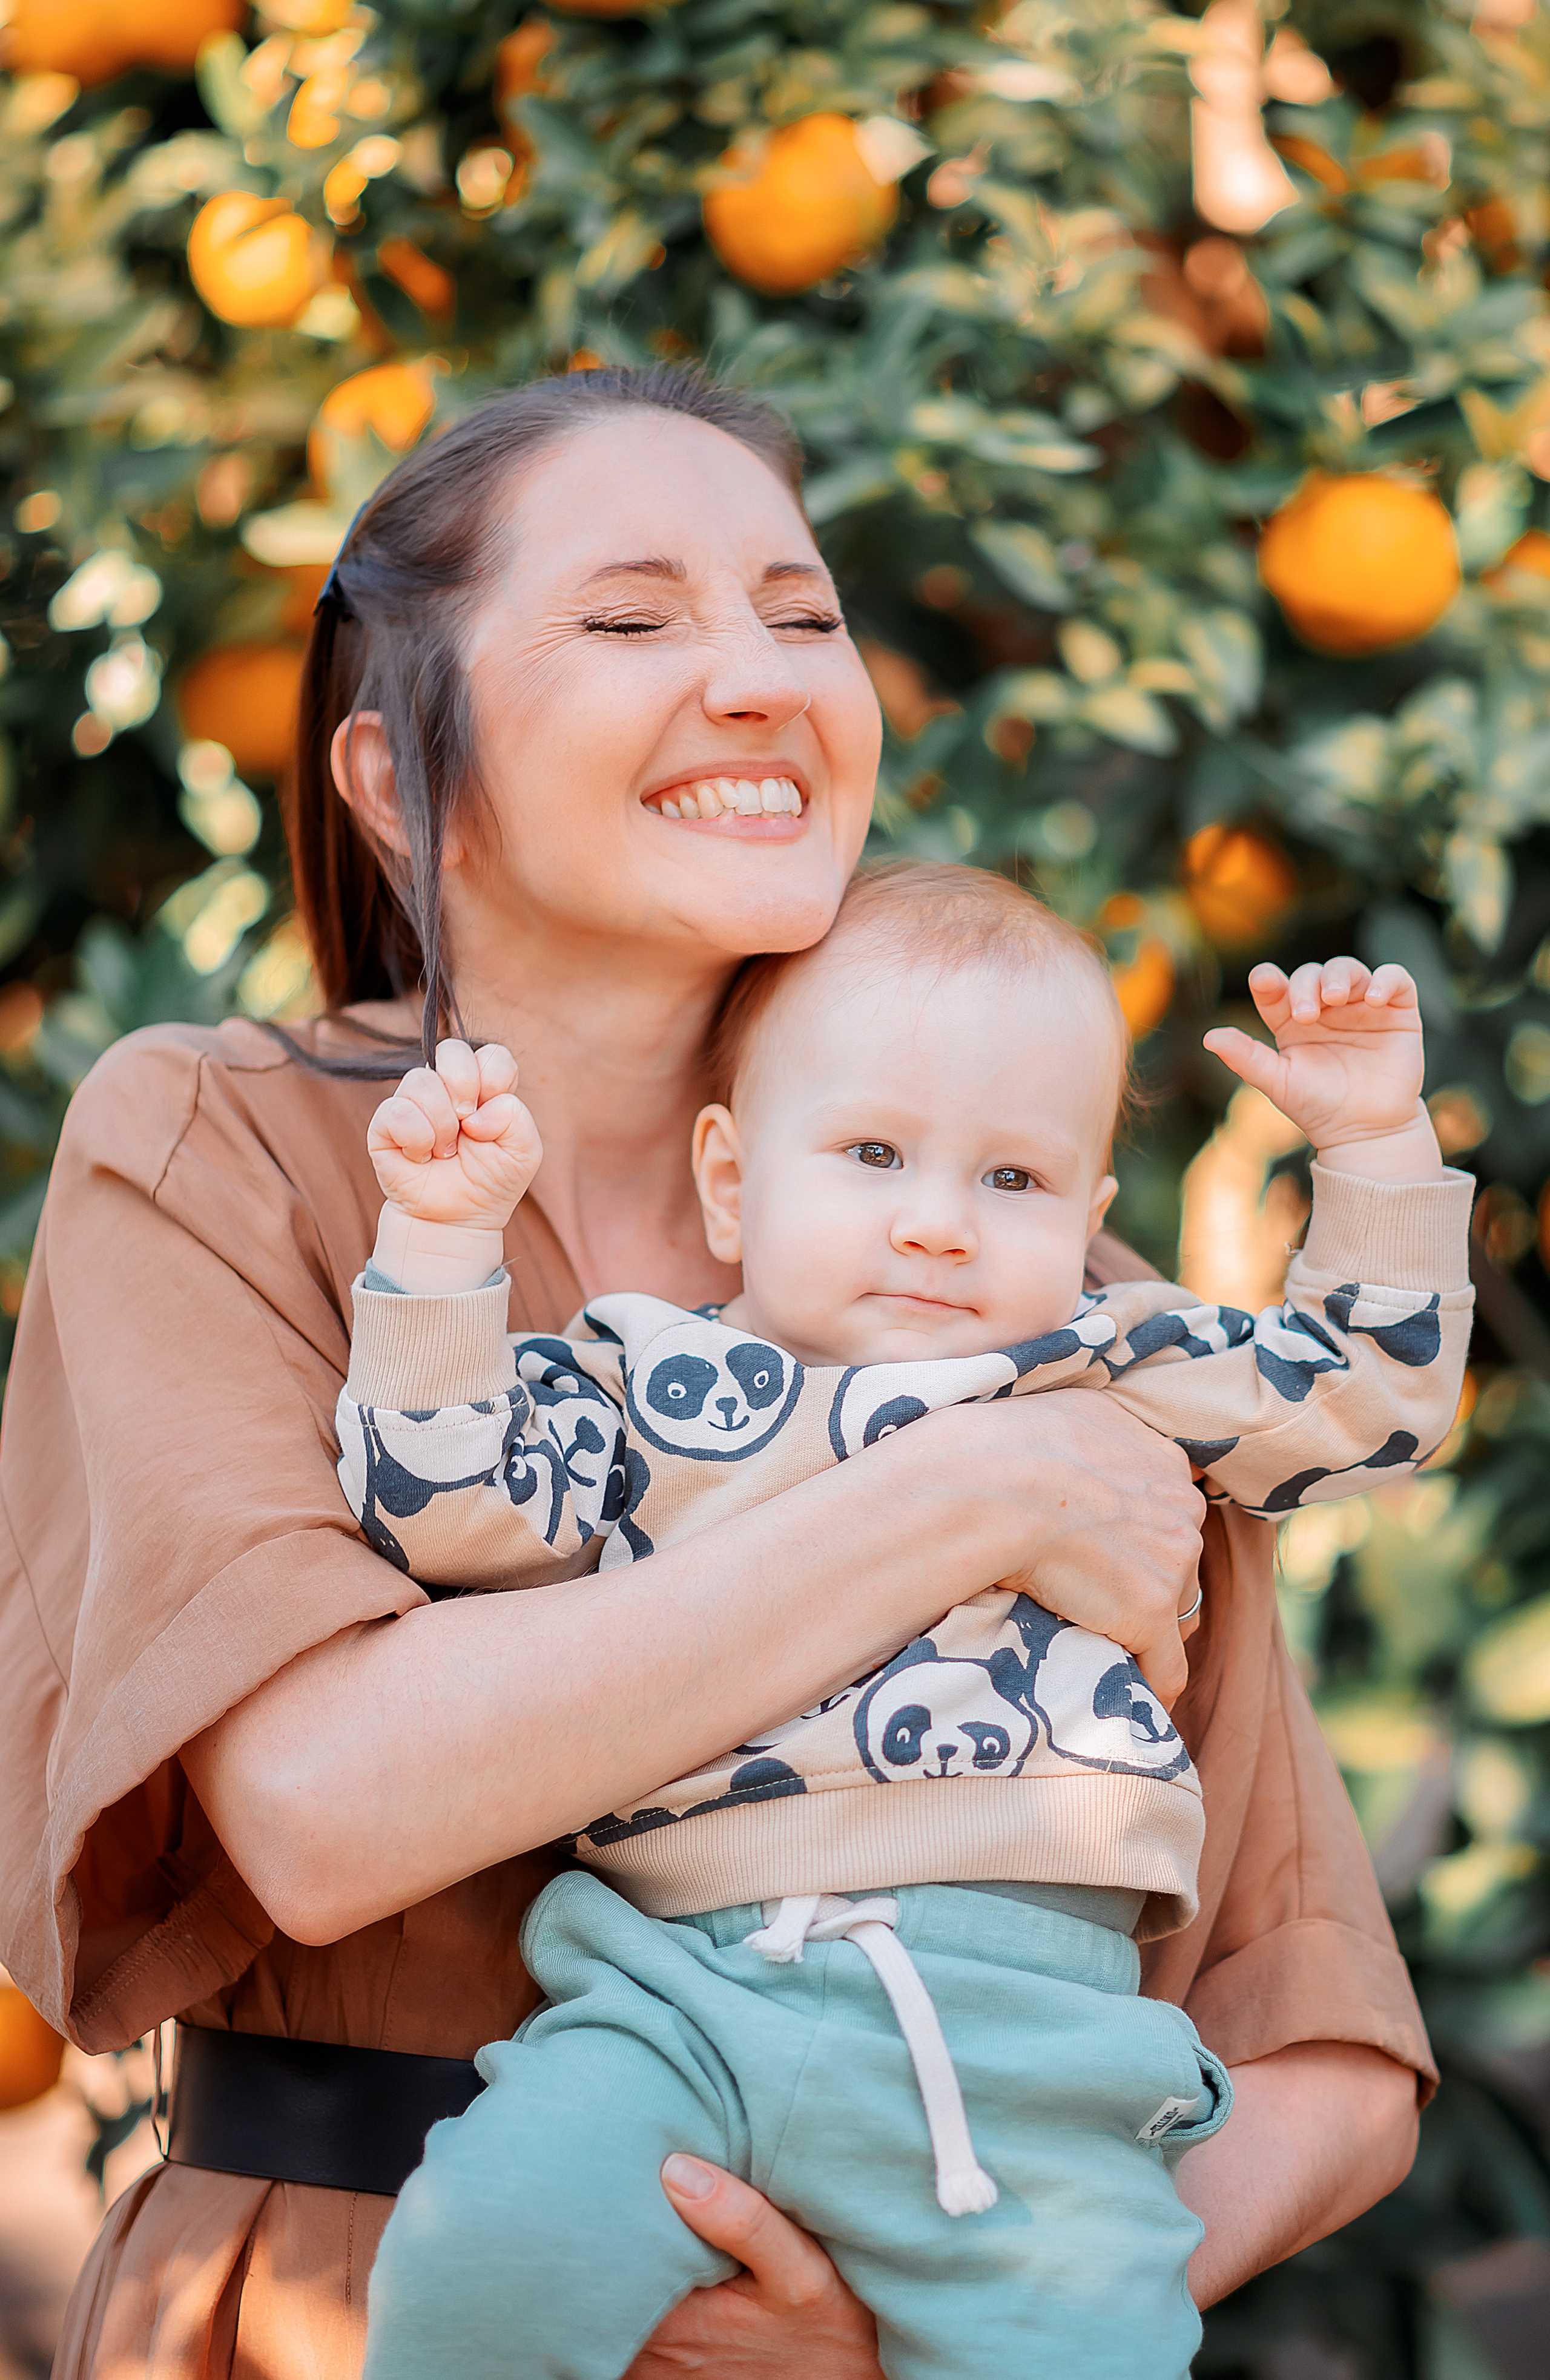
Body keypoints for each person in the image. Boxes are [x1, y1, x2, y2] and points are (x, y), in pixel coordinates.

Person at [0, 367, 1436, 2380]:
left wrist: (898, 2327)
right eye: (633, 614)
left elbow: (1325, 2049)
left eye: (803, 611)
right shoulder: (215, 1147)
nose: (761, 676)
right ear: (398, 781)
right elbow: (322, 1803)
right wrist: (976, 1496)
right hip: (335, 2317)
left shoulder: (1010, 1267)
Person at [339, 863, 1470, 2380]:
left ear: (1084, 1215)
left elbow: (1367, 1404)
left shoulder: (1105, 1365)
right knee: (486, 2252)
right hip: (679, 1997)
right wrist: (437, 1240)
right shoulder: (639, 1382)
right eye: (872, 1153)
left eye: (1011, 1180)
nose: (938, 1225)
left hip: (1035, 2046)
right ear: (733, 1182)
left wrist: (1376, 1142)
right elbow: (442, 1503)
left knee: (1079, 2342)